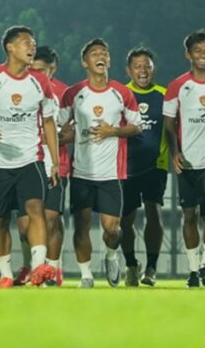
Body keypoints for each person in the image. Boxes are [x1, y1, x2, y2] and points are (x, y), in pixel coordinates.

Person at [0, 26, 60, 288]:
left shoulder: (40, 81)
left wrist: (55, 161)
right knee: (0, 219)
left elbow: (49, 121)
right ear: (10, 48)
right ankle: (5, 275)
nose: (32, 48)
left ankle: (39, 269)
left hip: (32, 158)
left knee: (35, 210)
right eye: (27, 43)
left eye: (34, 43)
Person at [60, 38, 142, 288]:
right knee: (81, 225)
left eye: (105, 53)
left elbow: (137, 127)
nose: (101, 56)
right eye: (95, 53)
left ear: (108, 60)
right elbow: (59, 127)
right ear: (85, 62)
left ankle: (110, 255)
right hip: (82, 173)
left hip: (110, 174)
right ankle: (86, 275)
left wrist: (113, 131)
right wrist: (68, 135)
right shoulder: (73, 94)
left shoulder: (122, 93)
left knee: (112, 230)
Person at [163, 30, 205, 288]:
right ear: (188, 54)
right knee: (189, 217)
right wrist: (174, 152)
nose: (203, 55)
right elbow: (169, 125)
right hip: (187, 163)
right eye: (198, 50)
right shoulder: (177, 86)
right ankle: (192, 269)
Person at [12, 46, 71, 286]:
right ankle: (31, 265)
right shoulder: (19, 86)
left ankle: (53, 271)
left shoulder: (64, 92)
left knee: (51, 219)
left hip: (56, 164)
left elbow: (72, 130)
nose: (34, 74)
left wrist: (56, 137)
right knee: (26, 225)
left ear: (52, 69)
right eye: (31, 69)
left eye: (40, 70)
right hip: (26, 162)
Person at [121, 47, 169, 287]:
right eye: (137, 66)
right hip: (125, 166)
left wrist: (176, 153)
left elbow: (172, 128)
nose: (143, 70)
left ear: (153, 69)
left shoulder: (164, 94)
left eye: (147, 66)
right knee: (125, 220)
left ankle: (151, 267)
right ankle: (131, 264)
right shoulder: (120, 94)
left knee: (154, 213)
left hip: (156, 165)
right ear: (129, 70)